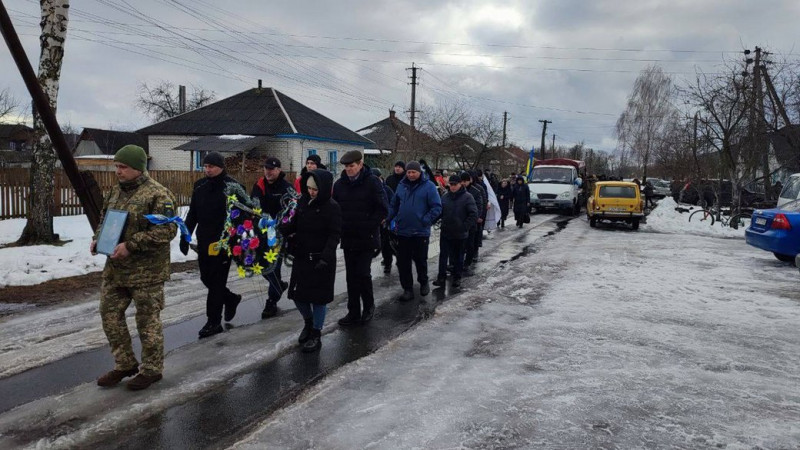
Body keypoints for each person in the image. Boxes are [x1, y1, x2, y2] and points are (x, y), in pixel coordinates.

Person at [91, 145, 177, 390]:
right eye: (116, 166)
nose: (118, 171)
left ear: (138, 168)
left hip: (146, 272)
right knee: (109, 315)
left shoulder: (158, 195)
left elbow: (167, 229)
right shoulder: (115, 192)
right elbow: (104, 220)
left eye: (123, 167)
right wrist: (99, 239)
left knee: (147, 321)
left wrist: (131, 244)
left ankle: (151, 370)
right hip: (116, 270)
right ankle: (125, 363)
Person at [181, 152, 244, 339]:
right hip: (204, 239)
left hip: (224, 242)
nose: (207, 170)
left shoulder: (233, 187)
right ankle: (230, 298)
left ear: (221, 167)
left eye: (211, 166)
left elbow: (241, 218)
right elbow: (193, 213)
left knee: (216, 282)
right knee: (206, 278)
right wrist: (186, 236)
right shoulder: (199, 186)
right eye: (205, 166)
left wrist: (238, 241)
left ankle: (213, 321)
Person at [280, 169, 341, 353]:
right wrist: (282, 228)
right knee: (298, 296)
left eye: (315, 189)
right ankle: (308, 322)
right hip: (302, 257)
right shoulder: (303, 202)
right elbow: (294, 223)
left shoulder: (332, 207)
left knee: (318, 300)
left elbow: (334, 235)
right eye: (308, 188)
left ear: (323, 188)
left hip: (321, 260)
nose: (311, 192)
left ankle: (316, 332)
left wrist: (326, 257)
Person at [332, 150, 388, 326]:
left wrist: (368, 226)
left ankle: (369, 307)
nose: (349, 169)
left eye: (352, 166)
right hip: (348, 237)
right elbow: (336, 209)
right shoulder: (340, 185)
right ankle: (353, 311)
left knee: (363, 274)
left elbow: (382, 208)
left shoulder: (372, 183)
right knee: (351, 276)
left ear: (360, 165)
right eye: (346, 167)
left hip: (367, 237)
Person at [387, 161, 442, 301]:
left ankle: (423, 282)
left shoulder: (428, 186)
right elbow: (394, 205)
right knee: (403, 262)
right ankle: (407, 289)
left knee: (420, 259)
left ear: (419, 172)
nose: (411, 174)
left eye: (413, 172)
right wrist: (387, 218)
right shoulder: (401, 186)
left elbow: (437, 207)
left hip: (420, 231)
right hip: (403, 231)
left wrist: (425, 220)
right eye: (409, 172)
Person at [251, 157, 293, 318]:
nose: (268, 172)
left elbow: (292, 211)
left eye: (271, 169)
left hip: (279, 234)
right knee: (261, 266)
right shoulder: (259, 185)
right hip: (261, 232)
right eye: (266, 169)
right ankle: (278, 285)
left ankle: (271, 301)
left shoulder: (286, 187)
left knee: (273, 267)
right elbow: (254, 205)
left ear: (278, 170)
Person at [433, 175, 477, 288]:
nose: (452, 187)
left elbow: (473, 214)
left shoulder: (468, 197)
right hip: (446, 231)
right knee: (443, 256)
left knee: (458, 257)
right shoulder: (445, 197)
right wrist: (431, 220)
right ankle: (441, 277)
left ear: (460, 184)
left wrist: (464, 227)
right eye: (450, 184)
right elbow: (439, 212)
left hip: (460, 233)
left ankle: (457, 278)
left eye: (454, 184)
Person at [372, 168, 396, 274]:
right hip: (373, 222)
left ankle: (388, 263)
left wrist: (387, 217)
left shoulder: (387, 189)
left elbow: (393, 204)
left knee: (386, 243)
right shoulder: (369, 190)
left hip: (385, 221)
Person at [461, 171, 484, 270]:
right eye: (462, 181)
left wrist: (477, 217)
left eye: (465, 181)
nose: (463, 183)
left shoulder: (476, 191)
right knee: (460, 244)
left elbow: (479, 206)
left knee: (470, 243)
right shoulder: (458, 190)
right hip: (460, 221)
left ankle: (467, 262)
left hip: (471, 222)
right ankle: (457, 262)